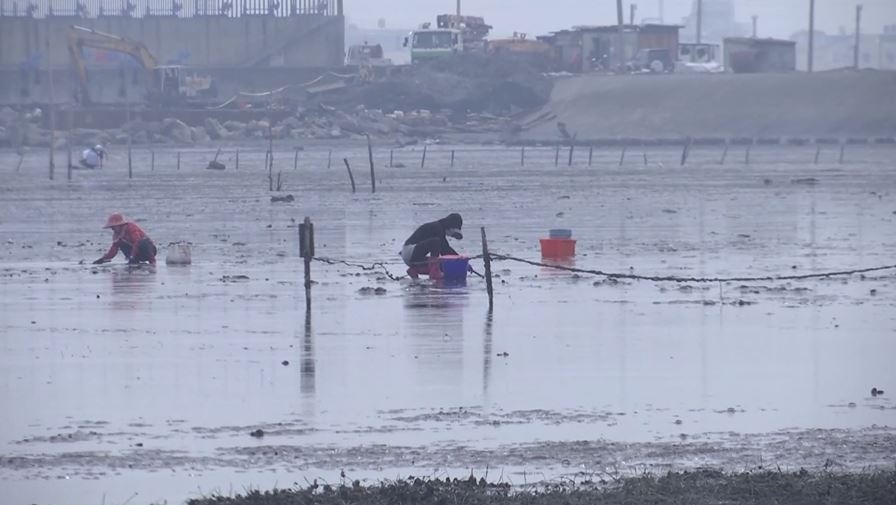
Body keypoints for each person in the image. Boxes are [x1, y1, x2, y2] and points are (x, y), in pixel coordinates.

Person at [401, 213, 464, 280]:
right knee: (435, 242)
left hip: (412, 255)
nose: (452, 236)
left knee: (442, 264)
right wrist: (459, 260)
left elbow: (445, 249)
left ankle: (414, 270)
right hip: (410, 251)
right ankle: (434, 272)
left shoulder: (439, 228)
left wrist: (462, 262)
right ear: (451, 227)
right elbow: (444, 250)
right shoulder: (437, 228)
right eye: (454, 234)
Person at [93, 213, 157, 266]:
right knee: (120, 243)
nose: (112, 229)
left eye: (113, 227)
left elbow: (137, 242)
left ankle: (152, 261)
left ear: (119, 225)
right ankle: (134, 262)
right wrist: (103, 259)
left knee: (143, 242)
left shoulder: (131, 228)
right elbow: (113, 250)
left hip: (147, 251)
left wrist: (132, 256)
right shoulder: (117, 235)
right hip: (135, 254)